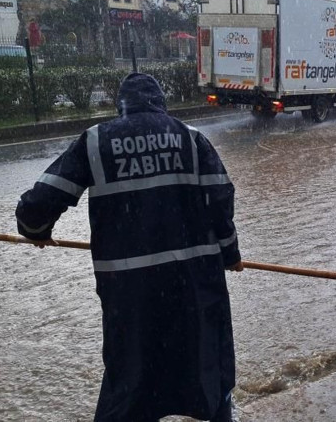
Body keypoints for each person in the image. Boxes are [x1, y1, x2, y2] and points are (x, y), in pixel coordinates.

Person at [14, 73, 242, 421]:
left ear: (122, 106)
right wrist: (230, 253)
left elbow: (39, 203)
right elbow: (220, 199)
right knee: (206, 364)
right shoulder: (193, 140)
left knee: (131, 375)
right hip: (194, 285)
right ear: (160, 104)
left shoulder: (96, 142)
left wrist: (36, 230)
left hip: (130, 291)